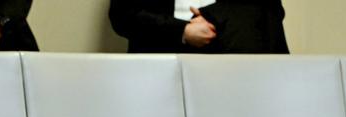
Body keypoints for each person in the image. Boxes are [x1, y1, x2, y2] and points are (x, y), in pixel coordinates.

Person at [109, 0, 288, 54]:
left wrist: (215, 19)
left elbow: (270, 11)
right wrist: (182, 31)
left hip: (234, 59)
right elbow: (122, 15)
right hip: (162, 57)